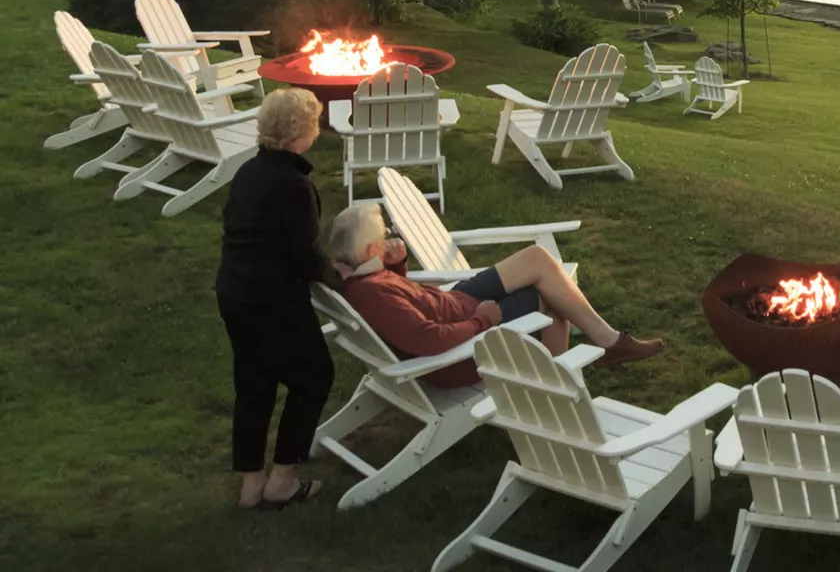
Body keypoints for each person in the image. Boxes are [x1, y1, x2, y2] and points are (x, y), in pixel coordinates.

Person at [329, 203, 664, 385]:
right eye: (384, 235)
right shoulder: (371, 293)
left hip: (455, 303)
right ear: (371, 247)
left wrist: (397, 263)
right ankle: (556, 389)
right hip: (459, 348)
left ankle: (608, 343)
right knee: (551, 302)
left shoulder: (364, 273)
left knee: (537, 259)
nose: (389, 235)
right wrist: (482, 321)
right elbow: (427, 339)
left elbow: (405, 299)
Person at [213, 86, 333, 510]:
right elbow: (307, 258)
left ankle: (251, 485)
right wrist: (345, 276)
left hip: (233, 291)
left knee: (254, 384)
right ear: (302, 132)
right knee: (314, 377)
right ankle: (282, 479)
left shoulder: (248, 171)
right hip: (271, 298)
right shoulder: (294, 185)